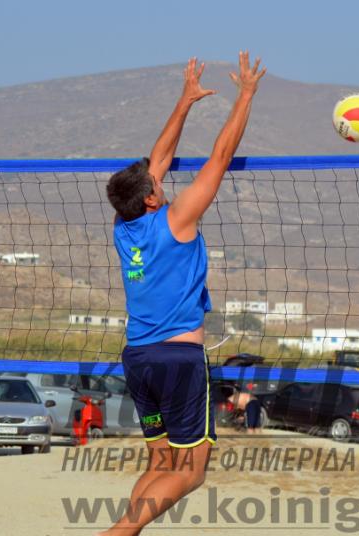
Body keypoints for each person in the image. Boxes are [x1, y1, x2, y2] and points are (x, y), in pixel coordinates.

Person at [101, 52, 265, 535]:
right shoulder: (177, 219)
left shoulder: (124, 226)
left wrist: (186, 100)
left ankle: (124, 532)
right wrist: (246, 95)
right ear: (152, 197)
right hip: (178, 358)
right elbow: (220, 156)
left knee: (159, 463)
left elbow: (159, 159)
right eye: (156, 182)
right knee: (191, 473)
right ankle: (116, 533)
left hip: (138, 357)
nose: (160, 176)